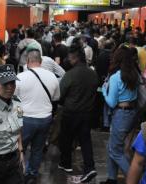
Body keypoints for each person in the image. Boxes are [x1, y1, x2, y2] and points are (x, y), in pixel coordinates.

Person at [14, 49, 60, 184]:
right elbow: (56, 97)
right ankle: (31, 174)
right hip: (45, 118)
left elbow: (15, 100)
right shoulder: (52, 77)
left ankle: (17, 173)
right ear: (40, 62)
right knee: (38, 149)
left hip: (25, 119)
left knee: (19, 148)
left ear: (28, 62)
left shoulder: (21, 77)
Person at [58, 38, 98, 183]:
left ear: (74, 58)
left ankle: (65, 164)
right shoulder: (93, 73)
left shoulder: (70, 74)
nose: (68, 60)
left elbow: (60, 94)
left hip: (71, 112)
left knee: (66, 138)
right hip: (87, 113)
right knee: (85, 140)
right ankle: (90, 167)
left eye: (69, 57)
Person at [101, 45, 139, 184]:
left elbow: (111, 102)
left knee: (116, 151)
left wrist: (104, 90)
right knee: (112, 147)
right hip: (131, 114)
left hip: (121, 115)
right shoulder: (134, 73)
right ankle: (112, 179)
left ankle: (134, 179)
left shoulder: (116, 77)